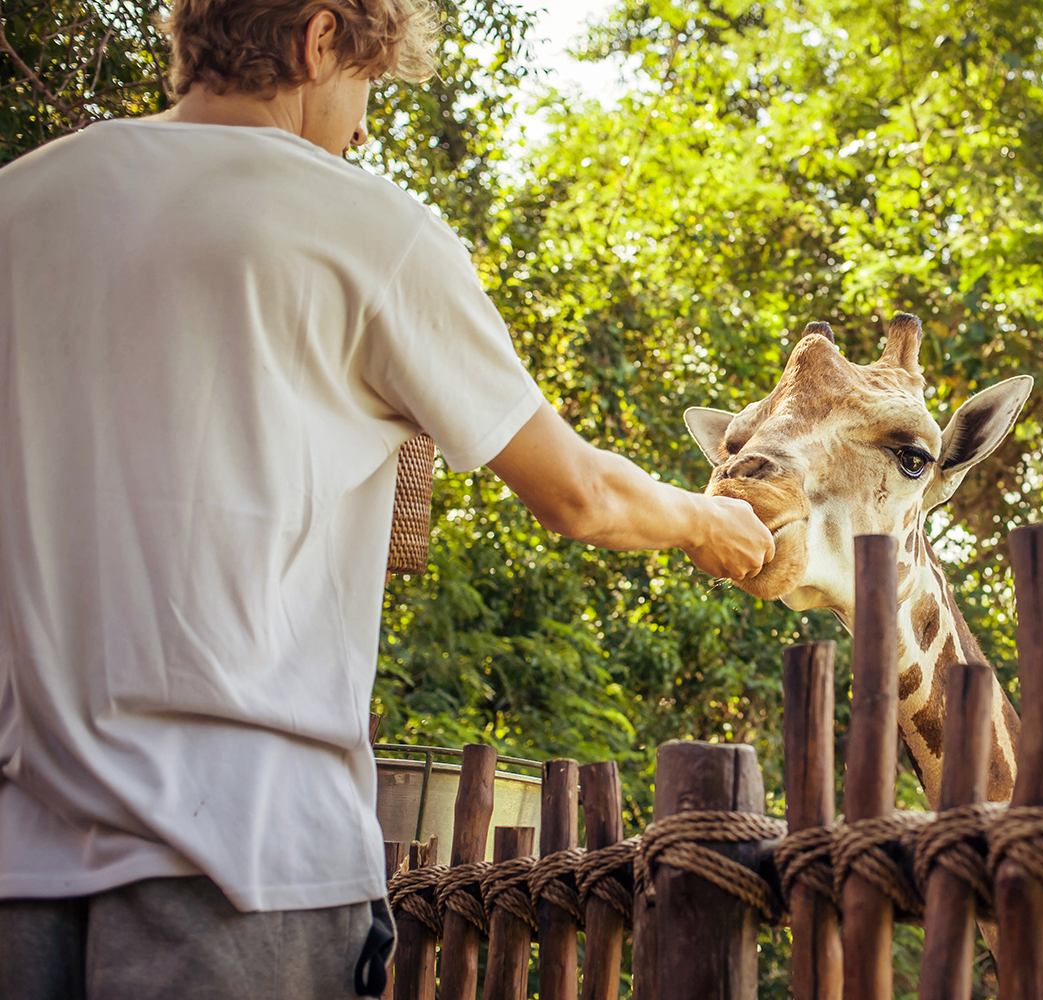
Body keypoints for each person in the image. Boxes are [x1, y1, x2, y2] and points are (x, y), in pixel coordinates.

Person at [0, 0, 774, 996]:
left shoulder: (19, 205)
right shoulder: (363, 226)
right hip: (247, 869)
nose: (363, 127)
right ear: (318, 39)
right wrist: (708, 521)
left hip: (19, 862)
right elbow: (579, 493)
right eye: (366, 86)